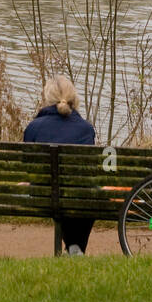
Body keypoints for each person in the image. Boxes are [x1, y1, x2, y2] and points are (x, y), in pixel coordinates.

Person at [23, 76, 96, 255]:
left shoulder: (34, 127)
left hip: (42, 193)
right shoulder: (86, 129)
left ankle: (73, 247)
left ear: (48, 98)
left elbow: (28, 165)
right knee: (86, 193)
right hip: (76, 195)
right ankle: (75, 247)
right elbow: (87, 171)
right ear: (73, 98)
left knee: (60, 194)